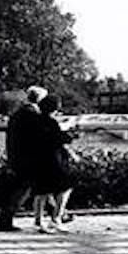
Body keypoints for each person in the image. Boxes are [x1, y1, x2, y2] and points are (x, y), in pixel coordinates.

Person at [0, 85, 47, 232]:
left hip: (17, 156)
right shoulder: (31, 114)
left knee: (34, 186)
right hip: (26, 159)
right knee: (23, 189)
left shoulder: (18, 113)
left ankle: (58, 213)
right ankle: (5, 221)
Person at [32, 94, 78, 231]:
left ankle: (38, 221)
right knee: (65, 187)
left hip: (39, 159)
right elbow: (60, 138)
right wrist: (69, 130)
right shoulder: (51, 122)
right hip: (53, 160)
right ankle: (56, 218)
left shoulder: (36, 121)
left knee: (41, 191)